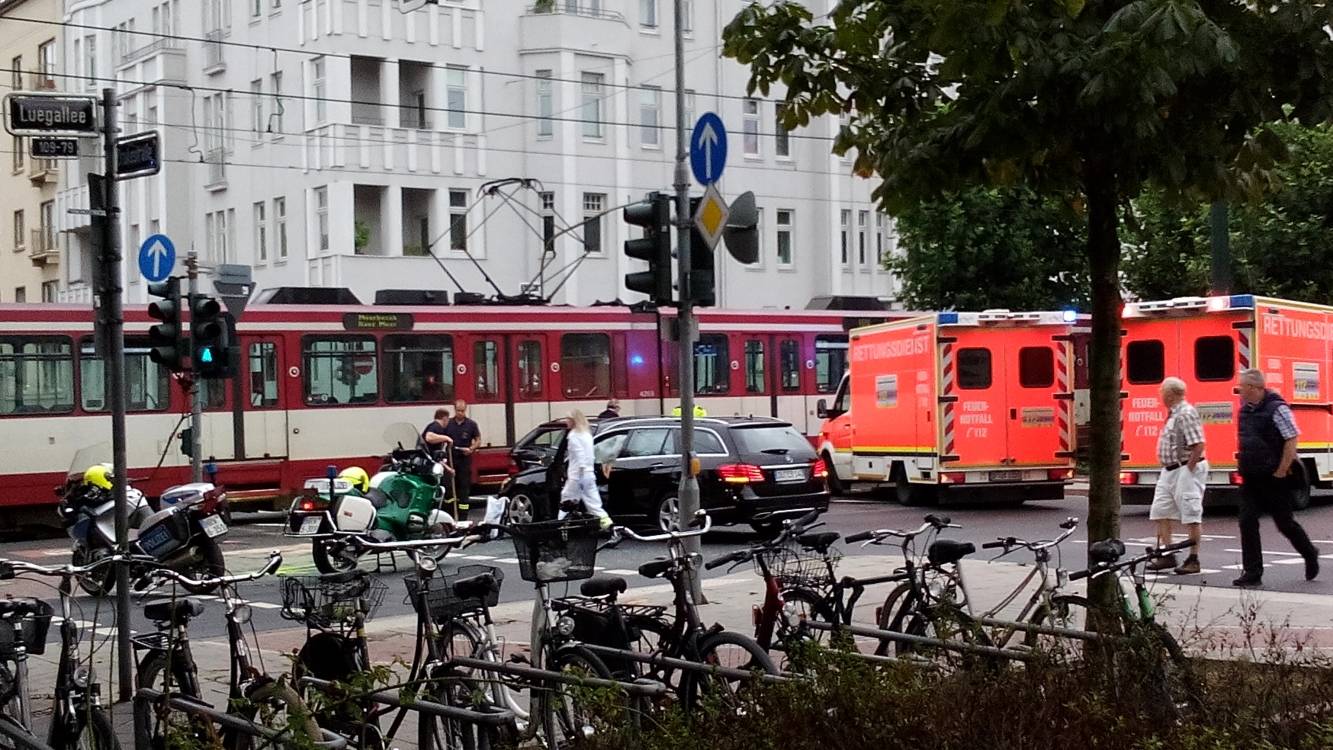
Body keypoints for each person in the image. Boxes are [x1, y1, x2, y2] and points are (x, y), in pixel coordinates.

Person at [1234, 369, 1320, 587]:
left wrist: (1282, 470)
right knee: (1247, 521)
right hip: (1251, 477)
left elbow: (1291, 438)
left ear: (1253, 388)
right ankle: (1252, 572)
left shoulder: (1276, 408)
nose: (1239, 390)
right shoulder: (1244, 411)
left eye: (1242, 387)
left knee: (1285, 523)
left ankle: (1309, 552)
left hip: (1273, 477)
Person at [1147, 377, 1206, 575]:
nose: (1160, 395)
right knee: (1160, 511)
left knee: (1191, 513)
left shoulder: (1186, 413)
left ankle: (1194, 558)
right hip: (1170, 470)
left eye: (1162, 391)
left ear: (1170, 394)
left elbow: (1198, 444)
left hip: (1184, 469)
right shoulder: (1174, 414)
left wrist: (1188, 469)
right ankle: (1167, 554)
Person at [560, 409, 612, 529]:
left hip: (577, 475)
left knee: (566, 499)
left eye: (568, 419)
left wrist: (580, 473)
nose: (566, 421)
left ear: (573, 420)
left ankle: (561, 526)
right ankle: (608, 524)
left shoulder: (573, 436)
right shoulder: (586, 434)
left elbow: (579, 456)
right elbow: (590, 455)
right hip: (589, 474)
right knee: (593, 503)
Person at [444, 399, 481, 512]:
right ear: (454, 410)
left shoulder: (471, 424)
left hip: (464, 460)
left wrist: (471, 449)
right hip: (451, 459)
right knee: (449, 488)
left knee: (464, 488)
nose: (461, 413)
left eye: (463, 411)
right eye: (458, 410)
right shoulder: (448, 424)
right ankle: (450, 512)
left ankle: (463, 514)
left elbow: (478, 440)